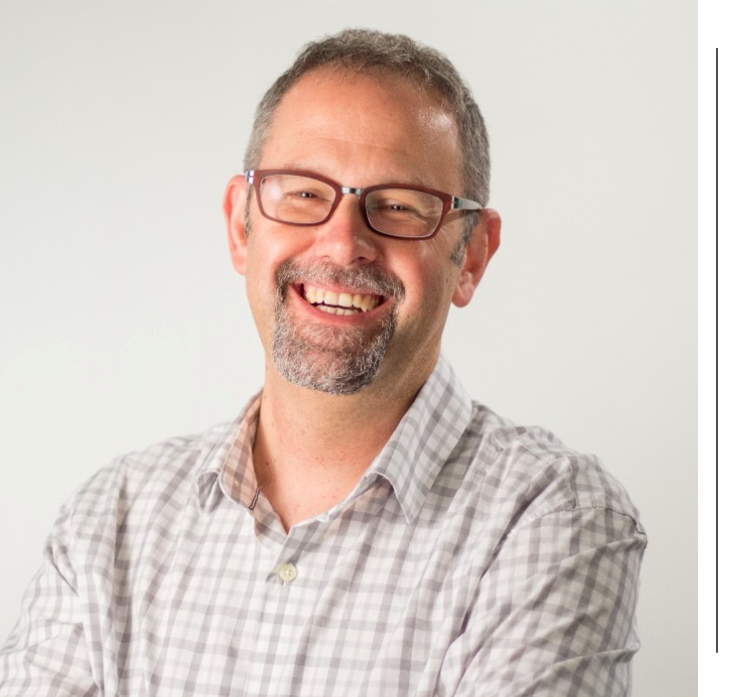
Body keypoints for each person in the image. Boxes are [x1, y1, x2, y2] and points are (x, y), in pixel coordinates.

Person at [0, 29, 644, 696]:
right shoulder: (110, 519)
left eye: (397, 205)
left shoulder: (550, 514)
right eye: (304, 192)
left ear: (472, 255)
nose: (343, 242)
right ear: (239, 225)